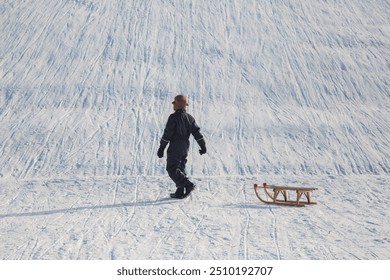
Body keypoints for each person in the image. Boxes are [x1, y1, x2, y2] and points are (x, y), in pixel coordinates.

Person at [157, 95, 207, 199]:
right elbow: (197, 133)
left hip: (175, 146)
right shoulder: (190, 118)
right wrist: (203, 145)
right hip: (185, 146)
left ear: (177, 105)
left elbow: (167, 134)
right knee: (180, 167)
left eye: (174, 104)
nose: (173, 106)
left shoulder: (173, 118)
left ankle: (188, 184)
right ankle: (180, 191)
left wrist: (162, 147)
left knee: (172, 168)